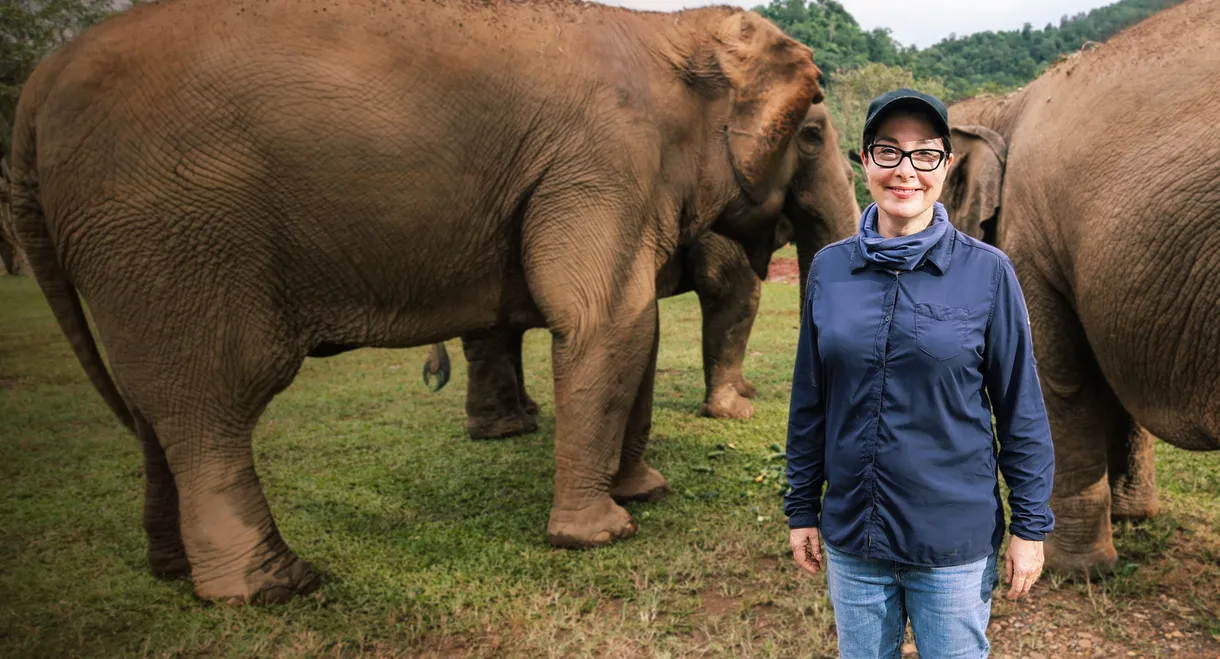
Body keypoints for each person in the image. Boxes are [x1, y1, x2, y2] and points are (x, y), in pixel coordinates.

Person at [783, 88, 1056, 658]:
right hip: (856, 538)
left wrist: (1030, 527)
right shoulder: (830, 270)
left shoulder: (988, 273)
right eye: (888, 152)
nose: (906, 171)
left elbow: (1020, 407)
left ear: (947, 167)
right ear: (865, 163)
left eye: (924, 154)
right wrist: (802, 508)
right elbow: (810, 402)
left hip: (952, 544)